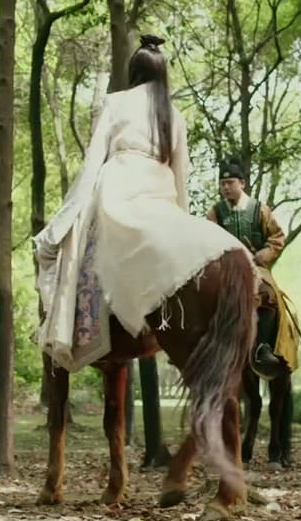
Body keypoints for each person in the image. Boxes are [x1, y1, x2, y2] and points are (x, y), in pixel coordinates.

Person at [36, 34, 246, 371]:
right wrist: (183, 219)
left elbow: (93, 161)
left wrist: (68, 213)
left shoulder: (115, 103)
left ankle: (79, 327)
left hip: (118, 184)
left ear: (133, 72)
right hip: (160, 190)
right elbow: (180, 173)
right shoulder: (174, 115)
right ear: (162, 75)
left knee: (82, 245)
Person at [207, 158, 299, 381]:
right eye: (222, 184)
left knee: (268, 294)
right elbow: (206, 240)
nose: (226, 187)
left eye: (230, 182)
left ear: (242, 183)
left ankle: (262, 347)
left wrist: (265, 253)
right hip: (226, 270)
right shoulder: (216, 213)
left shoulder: (260, 210)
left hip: (256, 268)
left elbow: (277, 237)